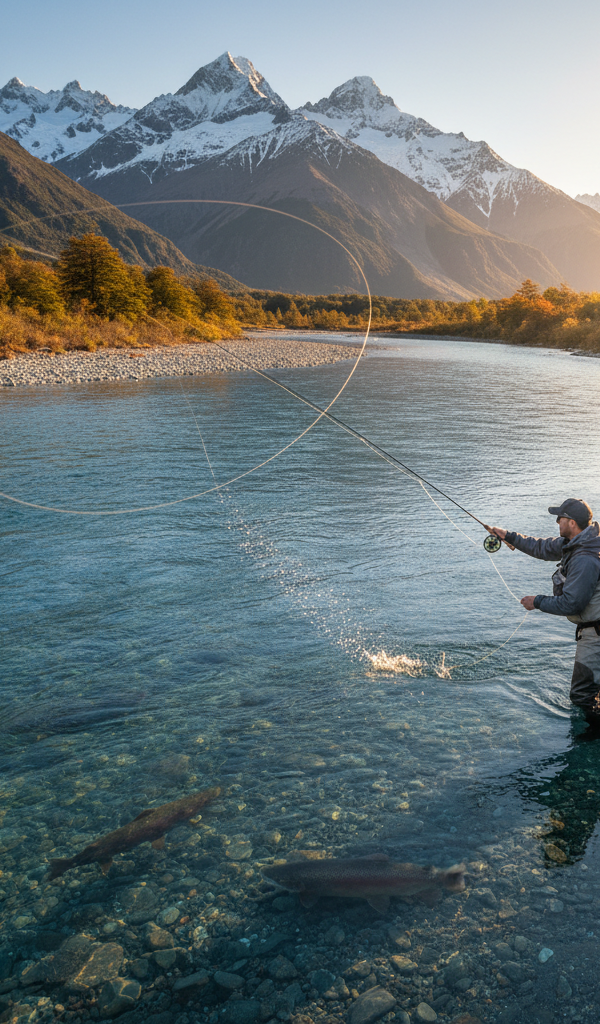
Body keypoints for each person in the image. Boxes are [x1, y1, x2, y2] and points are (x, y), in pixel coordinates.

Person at [489, 499, 600, 730]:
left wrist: (536, 602)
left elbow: (571, 604)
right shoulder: (577, 541)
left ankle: (590, 745)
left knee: (582, 695)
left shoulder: (585, 558)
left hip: (596, 634)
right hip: (592, 629)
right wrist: (508, 535)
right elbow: (541, 547)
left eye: (560, 518)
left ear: (571, 522)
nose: (557, 521)